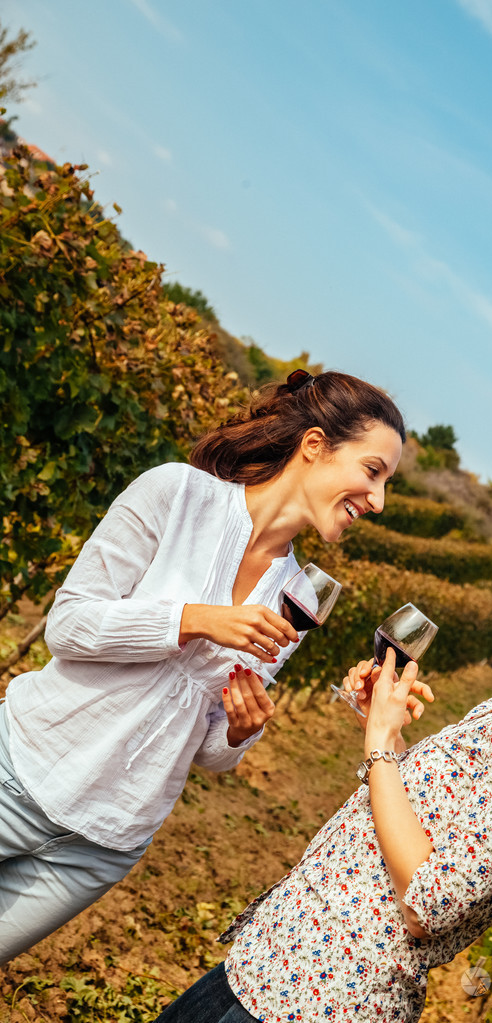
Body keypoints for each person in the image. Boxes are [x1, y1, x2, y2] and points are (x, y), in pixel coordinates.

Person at [154, 522, 492, 1023]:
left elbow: (432, 903)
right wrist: (388, 729)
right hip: (283, 958)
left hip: (323, 988)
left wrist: (381, 746)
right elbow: (430, 833)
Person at [0, 369, 407, 965]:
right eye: (373, 472)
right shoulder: (176, 494)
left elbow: (211, 754)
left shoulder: (299, 594)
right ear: (315, 446)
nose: (378, 500)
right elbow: (70, 626)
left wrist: (240, 731)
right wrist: (193, 619)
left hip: (104, 844)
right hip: (20, 771)